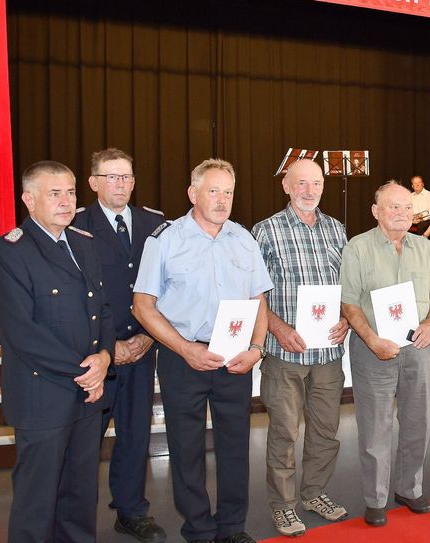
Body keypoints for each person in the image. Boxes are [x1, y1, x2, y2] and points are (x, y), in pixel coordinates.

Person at [133, 158, 272, 543]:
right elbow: (142, 305)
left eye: (228, 192)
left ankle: (231, 527)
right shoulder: (165, 240)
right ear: (193, 194)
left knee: (235, 447)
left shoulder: (243, 239)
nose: (222, 200)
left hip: (235, 357)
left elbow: (259, 300)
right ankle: (198, 527)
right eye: (213, 191)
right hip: (183, 358)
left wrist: (257, 348)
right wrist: (183, 349)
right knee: (186, 449)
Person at [0, 160, 115, 542]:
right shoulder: (11, 251)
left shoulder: (83, 243)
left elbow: (104, 309)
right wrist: (87, 371)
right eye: (54, 193)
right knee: (37, 501)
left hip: (86, 394)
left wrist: (105, 357)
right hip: (42, 395)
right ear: (29, 200)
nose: (66, 202)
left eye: (70, 192)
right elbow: (22, 332)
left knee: (80, 497)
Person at [71, 148, 167, 542]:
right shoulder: (76, 225)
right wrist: (111, 344)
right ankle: (74, 520)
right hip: (95, 354)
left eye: (126, 176)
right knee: (83, 442)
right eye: (111, 177)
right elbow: (74, 295)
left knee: (134, 435)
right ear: (93, 183)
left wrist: (149, 334)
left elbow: (169, 285)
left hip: (143, 350)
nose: (120, 184)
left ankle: (130, 511)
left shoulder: (156, 224)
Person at [340, 181, 430, 527]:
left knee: (417, 422)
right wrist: (371, 339)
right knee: (375, 428)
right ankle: (376, 499)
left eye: (406, 207)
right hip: (373, 350)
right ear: (376, 211)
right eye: (393, 207)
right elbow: (349, 303)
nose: (401, 213)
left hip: (418, 349)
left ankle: (410, 488)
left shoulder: (425, 248)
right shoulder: (357, 248)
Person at [251, 159, 350, 537]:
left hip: (327, 354)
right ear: (287, 187)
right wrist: (276, 328)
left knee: (326, 431)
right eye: (301, 184)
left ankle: (314, 493)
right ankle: (283, 505)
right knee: (284, 433)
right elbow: (255, 293)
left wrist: (345, 317)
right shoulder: (266, 231)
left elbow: (347, 285)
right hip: (286, 354)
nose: (310, 191)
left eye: (316, 183)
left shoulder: (337, 230)